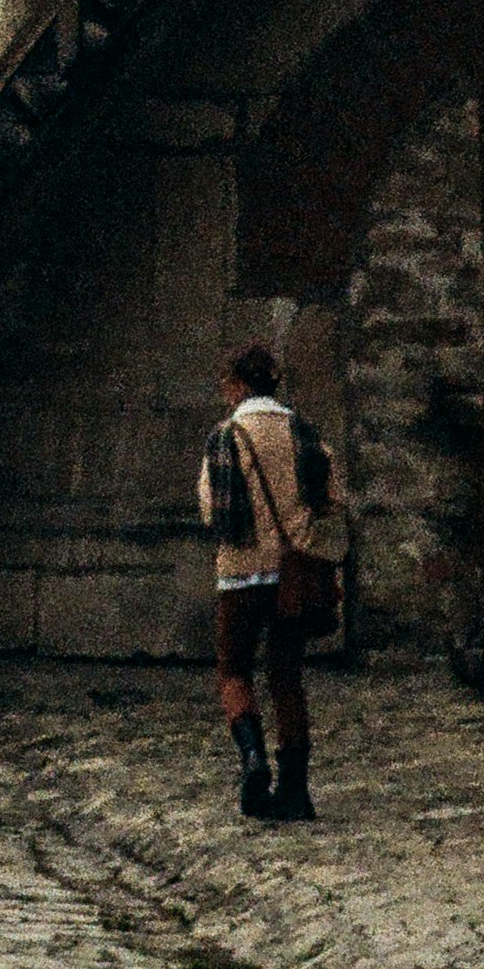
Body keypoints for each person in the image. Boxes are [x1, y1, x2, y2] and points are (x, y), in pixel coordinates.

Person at [202, 337, 335, 822]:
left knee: (233, 669)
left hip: (239, 574)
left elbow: (208, 509)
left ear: (237, 385)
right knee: (286, 677)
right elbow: (333, 498)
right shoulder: (304, 431)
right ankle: (295, 790)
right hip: (291, 575)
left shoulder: (224, 437)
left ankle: (253, 759)